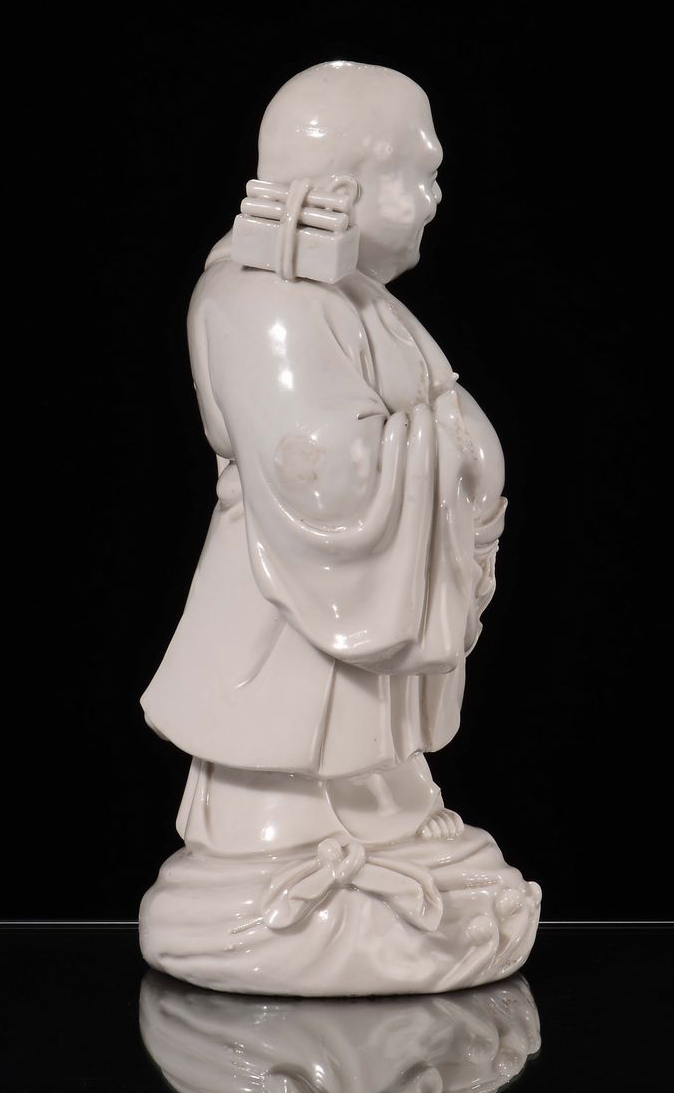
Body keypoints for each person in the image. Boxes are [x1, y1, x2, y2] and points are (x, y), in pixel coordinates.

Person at [142, 60, 506, 849]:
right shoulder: (264, 301)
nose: (434, 200)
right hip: (296, 586)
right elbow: (321, 477)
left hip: (346, 595)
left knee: (365, 743)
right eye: (421, 177)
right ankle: (285, 835)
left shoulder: (348, 297)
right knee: (293, 738)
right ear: (342, 192)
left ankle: (376, 804)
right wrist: (449, 446)